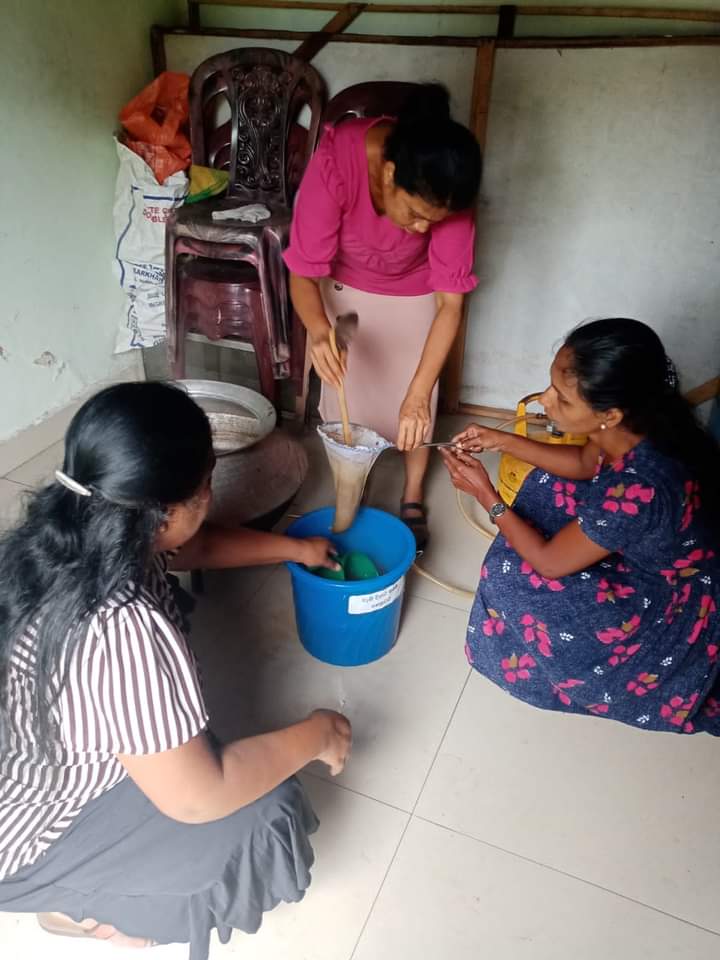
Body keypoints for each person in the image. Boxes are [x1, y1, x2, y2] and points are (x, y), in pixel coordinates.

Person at [0, 382, 352, 958]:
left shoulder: (78, 524)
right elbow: (198, 797)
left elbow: (192, 548)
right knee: (269, 811)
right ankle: (80, 908)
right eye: (208, 486)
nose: (211, 498)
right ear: (165, 512)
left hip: (23, 768)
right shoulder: (122, 630)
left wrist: (295, 550)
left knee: (213, 755)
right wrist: (319, 732)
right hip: (23, 840)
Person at [441, 318, 720, 733]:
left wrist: (487, 497)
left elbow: (550, 564)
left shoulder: (640, 487)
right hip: (641, 535)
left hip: (669, 597)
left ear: (609, 413)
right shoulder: (632, 426)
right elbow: (587, 465)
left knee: (510, 576)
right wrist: (502, 441)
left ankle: (581, 674)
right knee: (547, 483)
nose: (546, 402)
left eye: (563, 400)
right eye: (552, 386)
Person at [284, 83, 482, 553]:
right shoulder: (338, 160)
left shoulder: (446, 188)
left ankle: (412, 493)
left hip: (416, 291)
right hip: (344, 287)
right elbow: (302, 272)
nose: (421, 229)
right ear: (389, 173)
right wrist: (318, 332)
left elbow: (450, 305)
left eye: (432, 223)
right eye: (415, 215)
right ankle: (350, 485)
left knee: (415, 399)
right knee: (345, 391)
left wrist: (417, 393)